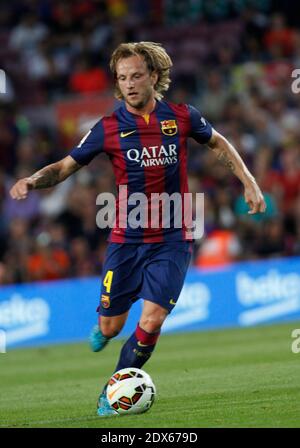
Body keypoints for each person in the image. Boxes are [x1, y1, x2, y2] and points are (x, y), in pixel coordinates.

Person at [10, 42, 266, 417]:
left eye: (136, 76)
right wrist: (32, 180)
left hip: (173, 237)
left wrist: (249, 180)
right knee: (112, 326)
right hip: (127, 238)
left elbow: (218, 142)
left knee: (153, 319)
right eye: (122, 78)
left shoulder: (182, 117)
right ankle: (104, 330)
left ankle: (112, 392)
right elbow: (65, 167)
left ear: (154, 77)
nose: (129, 84)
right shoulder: (109, 127)